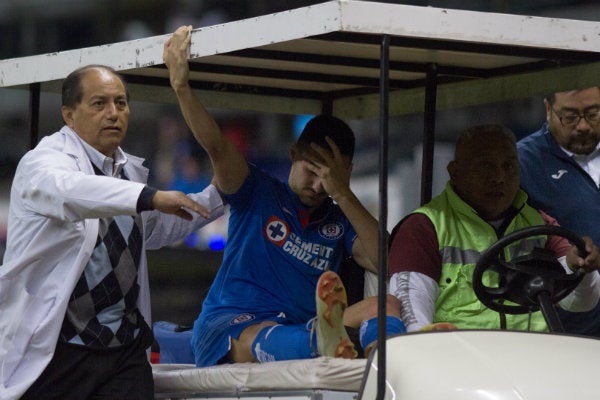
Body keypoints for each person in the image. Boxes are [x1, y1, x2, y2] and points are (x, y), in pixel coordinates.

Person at [163, 26, 405, 367]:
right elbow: (216, 146)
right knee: (262, 334)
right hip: (230, 328)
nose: (317, 185)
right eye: (311, 169)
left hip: (303, 328)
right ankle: (323, 343)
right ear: (293, 154)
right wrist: (181, 86)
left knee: (387, 304)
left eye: (328, 176)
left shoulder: (339, 219)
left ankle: (397, 357)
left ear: (345, 172)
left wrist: (343, 193)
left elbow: (388, 263)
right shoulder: (256, 189)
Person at [0, 64, 225, 400]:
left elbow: (155, 227)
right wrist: (149, 197)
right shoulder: (43, 164)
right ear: (69, 114)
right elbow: (73, 192)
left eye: (121, 103)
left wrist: (221, 196)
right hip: (58, 350)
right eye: (99, 104)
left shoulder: (128, 173)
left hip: (124, 349)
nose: (113, 113)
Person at [388, 124, 600, 333]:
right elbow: (413, 318)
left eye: (509, 166)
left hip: (533, 358)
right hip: (459, 360)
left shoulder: (538, 223)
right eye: (485, 166)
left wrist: (579, 267)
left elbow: (581, 303)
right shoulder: (424, 228)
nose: (499, 178)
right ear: (455, 172)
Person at [517, 86, 600, 336]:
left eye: (594, 114)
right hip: (568, 328)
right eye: (570, 117)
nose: (583, 126)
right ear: (548, 109)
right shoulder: (523, 163)